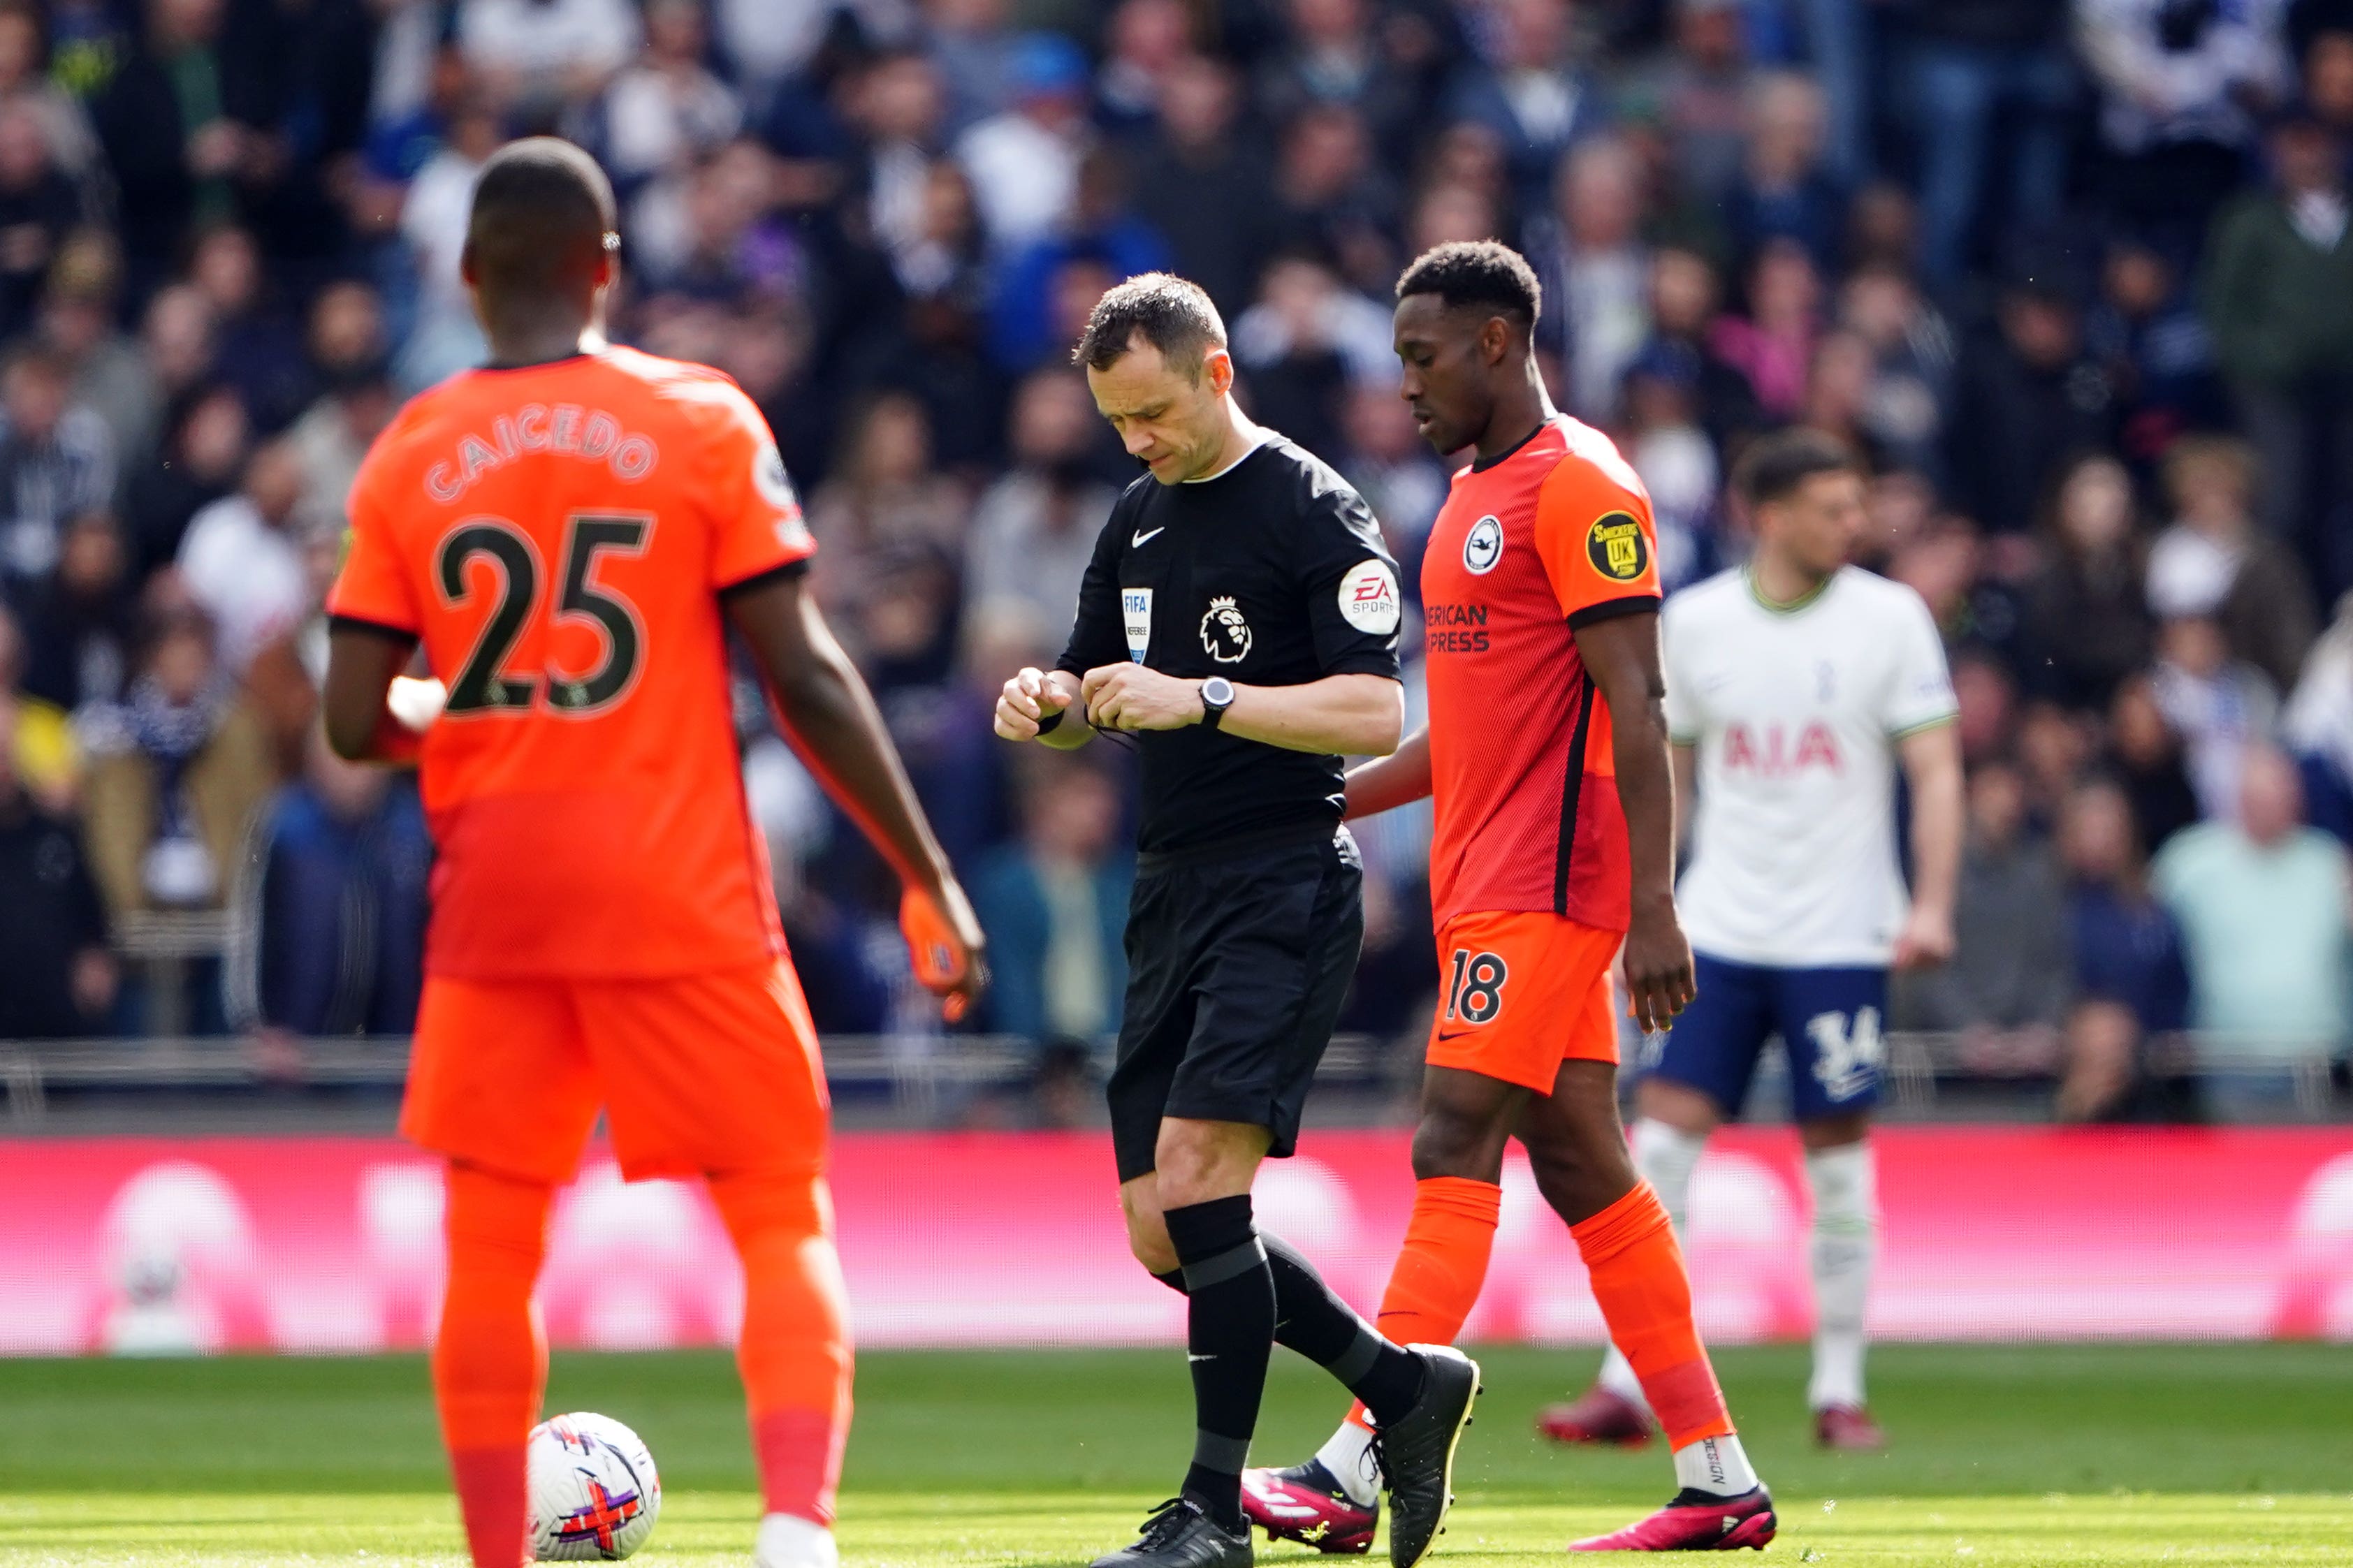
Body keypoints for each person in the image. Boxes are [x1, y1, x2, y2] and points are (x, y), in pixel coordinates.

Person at [317, 138, 986, 1568]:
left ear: (464, 275)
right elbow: (803, 675)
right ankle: (796, 1531)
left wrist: (468, 705)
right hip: (677, 886)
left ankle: (497, 1555)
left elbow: (353, 719)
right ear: (608, 265)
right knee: (775, 1211)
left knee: (493, 1248)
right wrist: (924, 867)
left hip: (496, 899)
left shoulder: (412, 449)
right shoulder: (698, 419)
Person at [1243, 242, 1775, 1555]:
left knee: (1450, 1133)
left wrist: (1655, 904)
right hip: (1487, 877)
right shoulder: (1469, 498)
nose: (1404, 384)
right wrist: (1321, 798)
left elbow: (1640, 705)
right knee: (1587, 1162)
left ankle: (1358, 1460)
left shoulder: (1582, 484)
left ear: (1495, 343)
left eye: (1422, 358)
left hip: (1551, 882)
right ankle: (1720, 1478)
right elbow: (1467, 731)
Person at [993, 272, 1476, 1568]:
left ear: (1215, 372)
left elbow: (1374, 715)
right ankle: (1400, 1383)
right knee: (1167, 1230)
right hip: (1172, 885)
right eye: (1116, 423)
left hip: (1282, 877)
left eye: (1151, 412)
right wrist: (1048, 696)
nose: (1136, 442)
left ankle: (1210, 1518)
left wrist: (1205, 698)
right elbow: (1101, 680)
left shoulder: (1315, 506)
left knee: (1206, 1181)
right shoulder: (1138, 517)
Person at [1543, 428, 1962, 1454]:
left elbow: (1937, 770)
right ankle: (1626, 1383)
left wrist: (1933, 903)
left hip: (1840, 935)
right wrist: (1651, 903)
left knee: (1837, 1164)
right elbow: (1658, 772)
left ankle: (1839, 1387)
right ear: (1767, 516)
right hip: (1720, 927)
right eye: (1832, 508)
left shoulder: (1892, 619)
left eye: (1855, 507)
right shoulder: (1696, 622)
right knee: (1666, 1149)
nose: (1852, 525)